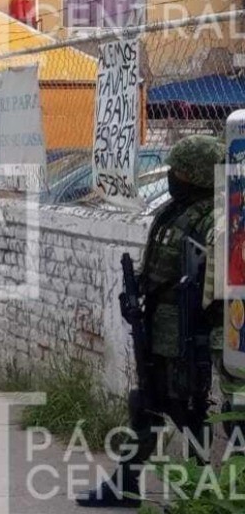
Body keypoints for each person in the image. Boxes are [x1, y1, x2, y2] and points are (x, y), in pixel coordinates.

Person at [77, 135, 224, 508]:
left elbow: (213, 281)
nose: (172, 176)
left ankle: (201, 490)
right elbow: (161, 262)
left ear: (197, 174)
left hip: (187, 331)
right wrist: (138, 290)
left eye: (179, 170)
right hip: (158, 326)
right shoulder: (174, 211)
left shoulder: (215, 218)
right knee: (146, 403)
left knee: (188, 410)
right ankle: (126, 485)